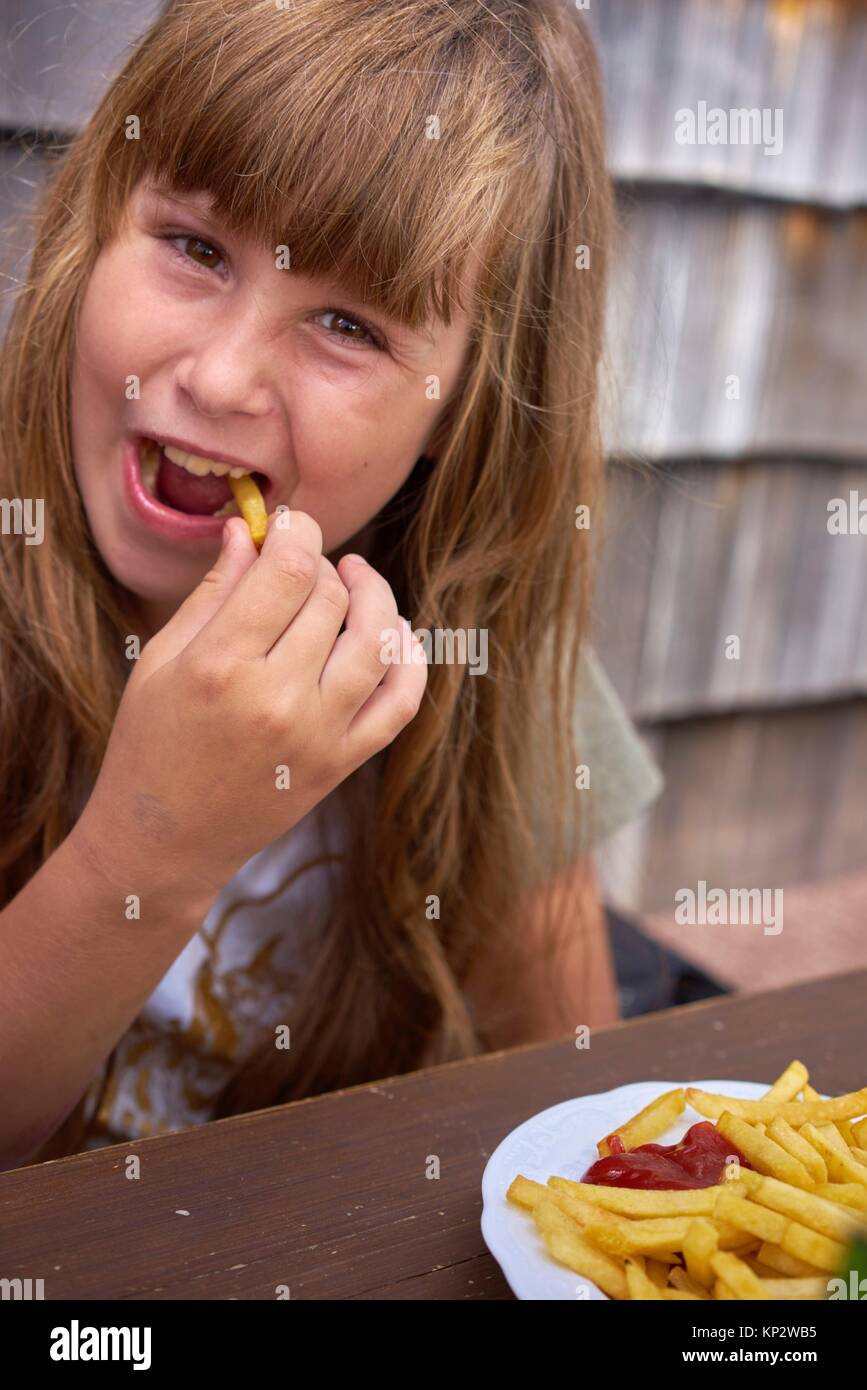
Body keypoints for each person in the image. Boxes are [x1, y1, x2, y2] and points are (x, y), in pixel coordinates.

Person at [0, 0, 662, 1167]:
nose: (216, 375)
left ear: (463, 411)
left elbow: (583, 1118)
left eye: (348, 324)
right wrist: (149, 846)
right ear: (96, 223)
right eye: (196, 248)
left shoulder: (480, 672)